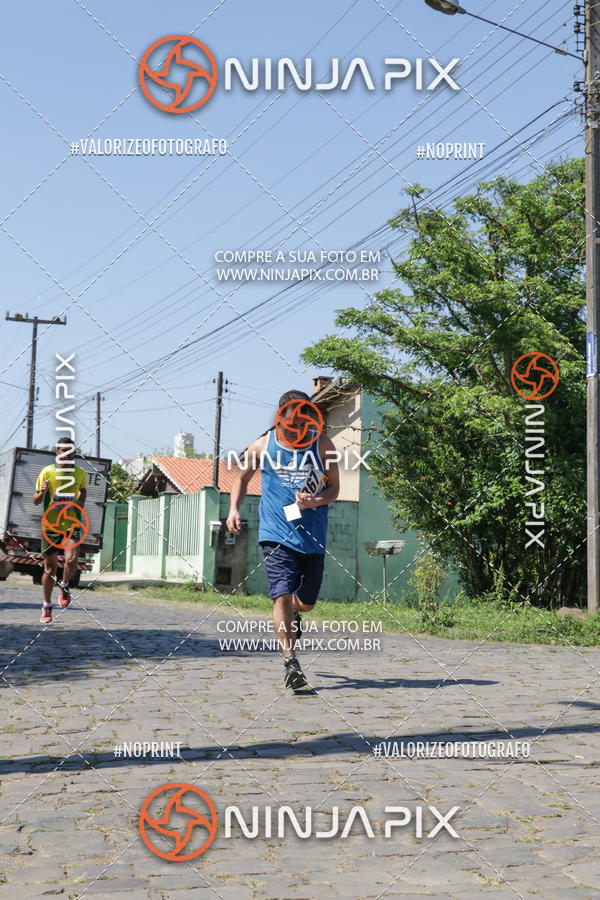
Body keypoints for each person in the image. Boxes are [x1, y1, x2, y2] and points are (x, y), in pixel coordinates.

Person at [226, 390, 339, 690]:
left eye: (304, 420)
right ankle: (290, 661)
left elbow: (334, 490)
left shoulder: (323, 445)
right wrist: (233, 509)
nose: (297, 427)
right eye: (292, 421)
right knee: (280, 593)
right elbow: (241, 478)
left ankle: (294, 614)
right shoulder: (263, 445)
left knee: (306, 603)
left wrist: (314, 501)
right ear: (282, 416)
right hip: (275, 534)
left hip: (311, 537)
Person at [32, 437, 87, 624]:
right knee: (50, 568)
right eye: (62, 451)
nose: (66, 455)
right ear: (57, 452)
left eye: (70, 451)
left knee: (72, 560)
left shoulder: (79, 472)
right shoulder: (47, 472)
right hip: (51, 526)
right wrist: (43, 492)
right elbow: (36, 500)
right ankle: (46, 606)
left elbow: (83, 490)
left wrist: (80, 501)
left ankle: (64, 585)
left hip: (71, 523)